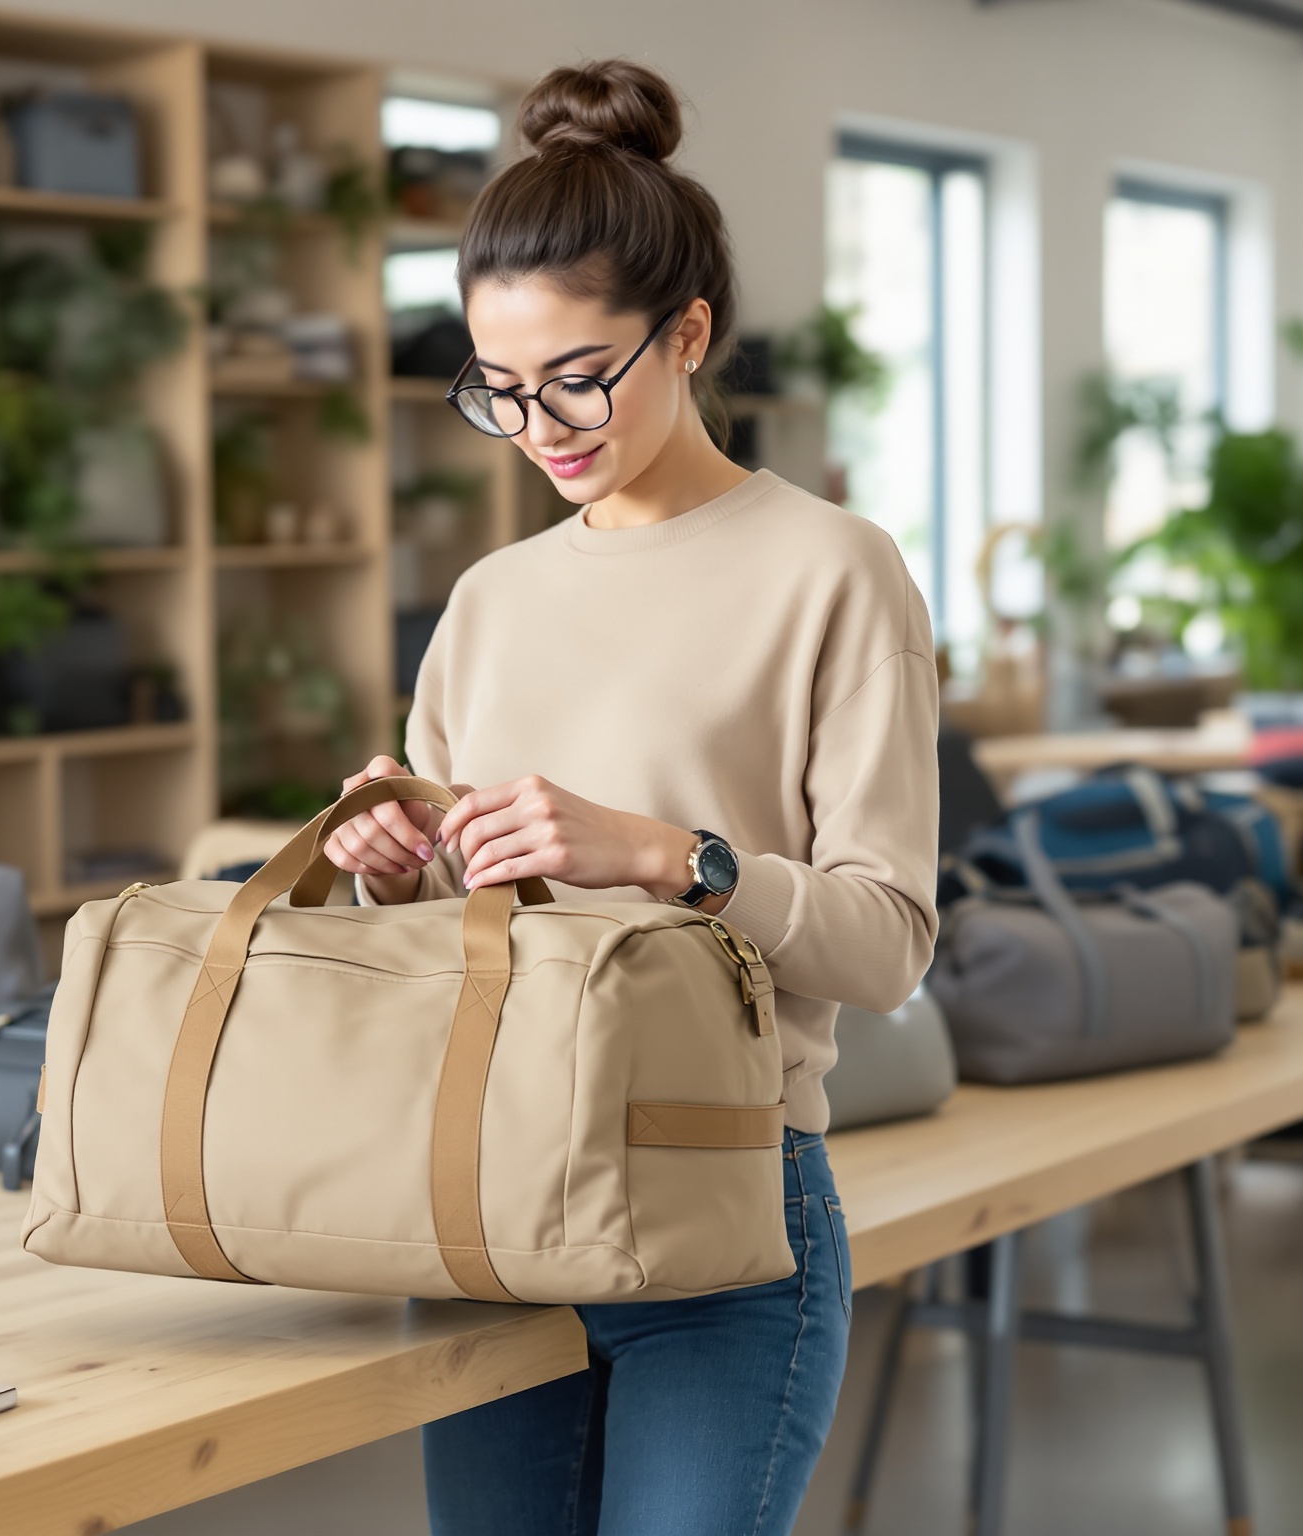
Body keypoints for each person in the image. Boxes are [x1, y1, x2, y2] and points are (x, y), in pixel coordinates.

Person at [320, 60, 939, 1536]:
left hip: (725, 1214)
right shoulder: (488, 600)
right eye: (503, 390)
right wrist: (387, 859)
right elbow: (439, 942)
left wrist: (675, 857)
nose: (544, 427)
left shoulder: (834, 572)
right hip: (486, 1194)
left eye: (582, 375)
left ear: (692, 333)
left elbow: (891, 944)